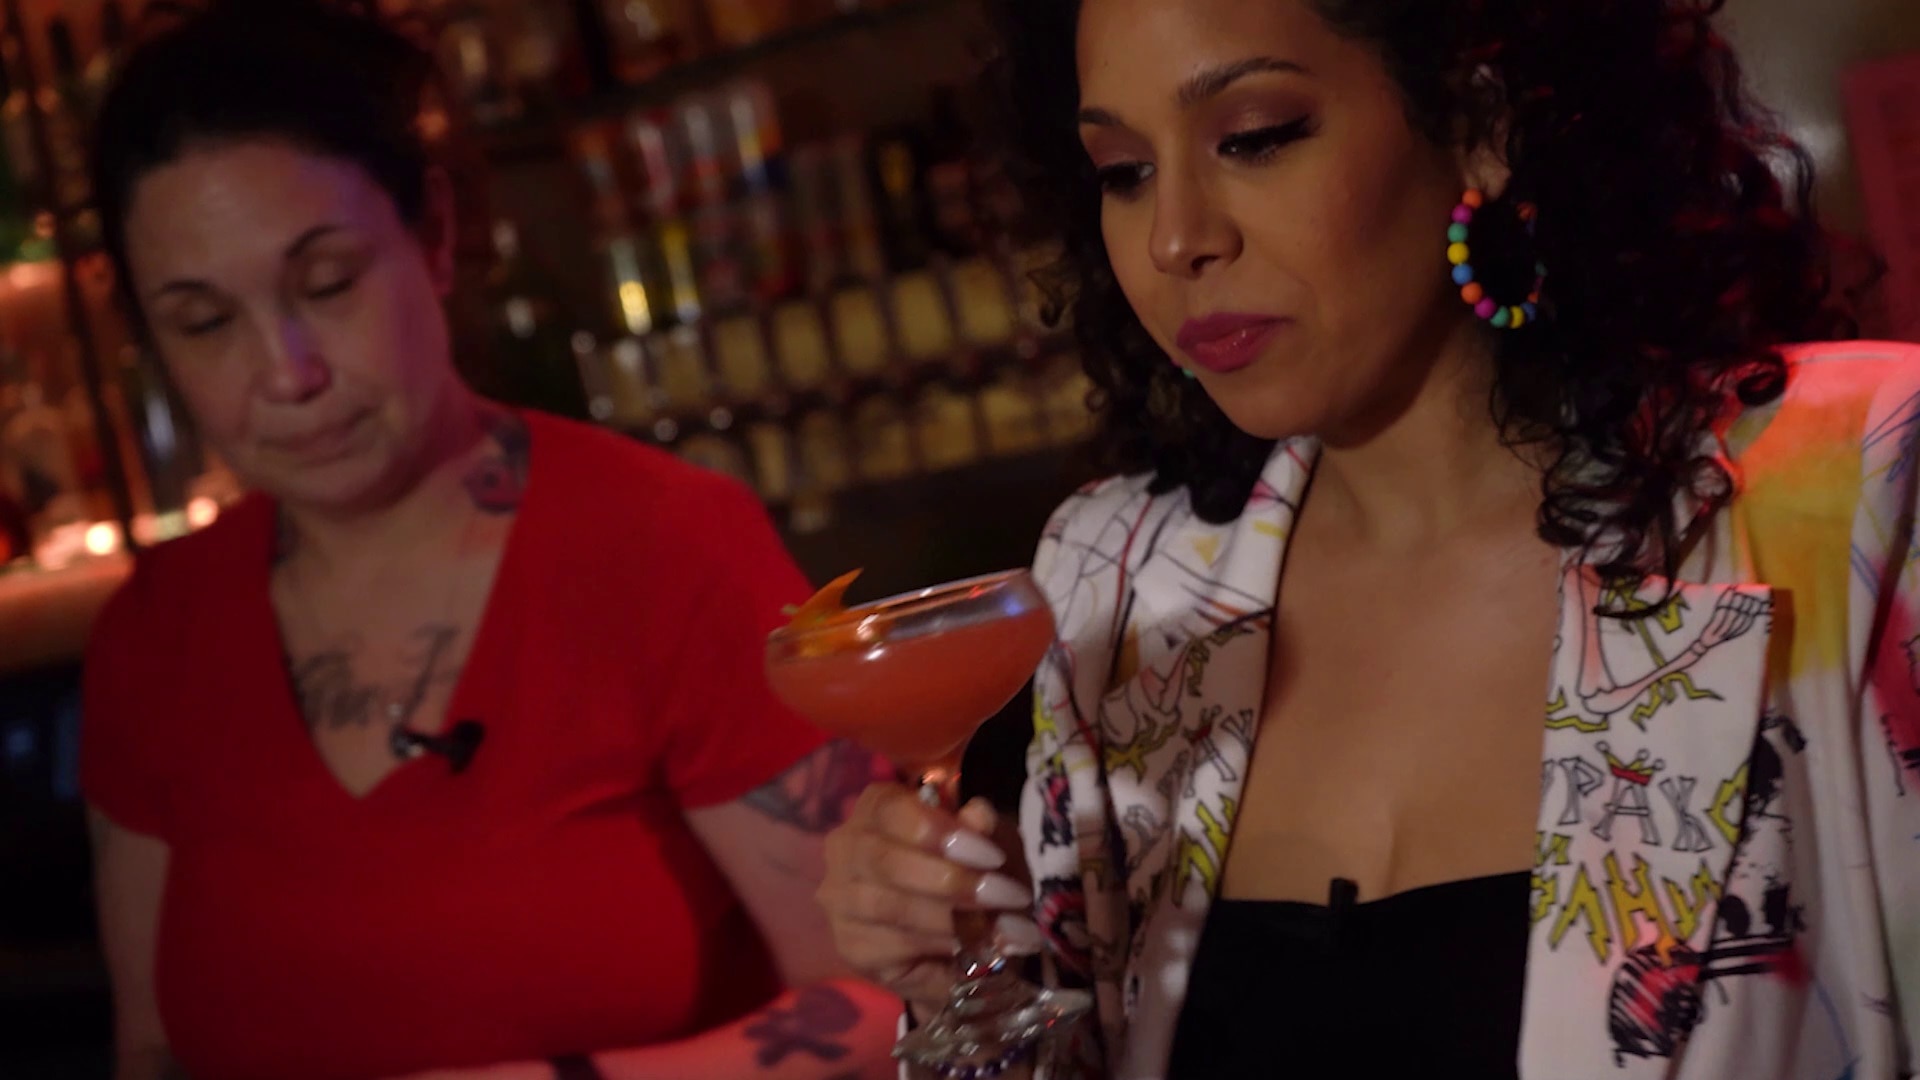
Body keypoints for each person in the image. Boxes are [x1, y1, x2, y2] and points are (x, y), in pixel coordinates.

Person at [818, 0, 1920, 1077]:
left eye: (1255, 137)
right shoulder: (1113, 583)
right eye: (1125, 171)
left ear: (1479, 122)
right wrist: (966, 982)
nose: (1176, 237)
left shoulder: (1855, 484)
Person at [77, 4, 898, 1079]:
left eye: (328, 285)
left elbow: (888, 1001)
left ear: (435, 236)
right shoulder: (155, 632)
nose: (286, 373)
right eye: (204, 323)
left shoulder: (662, 544)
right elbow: (151, 1050)